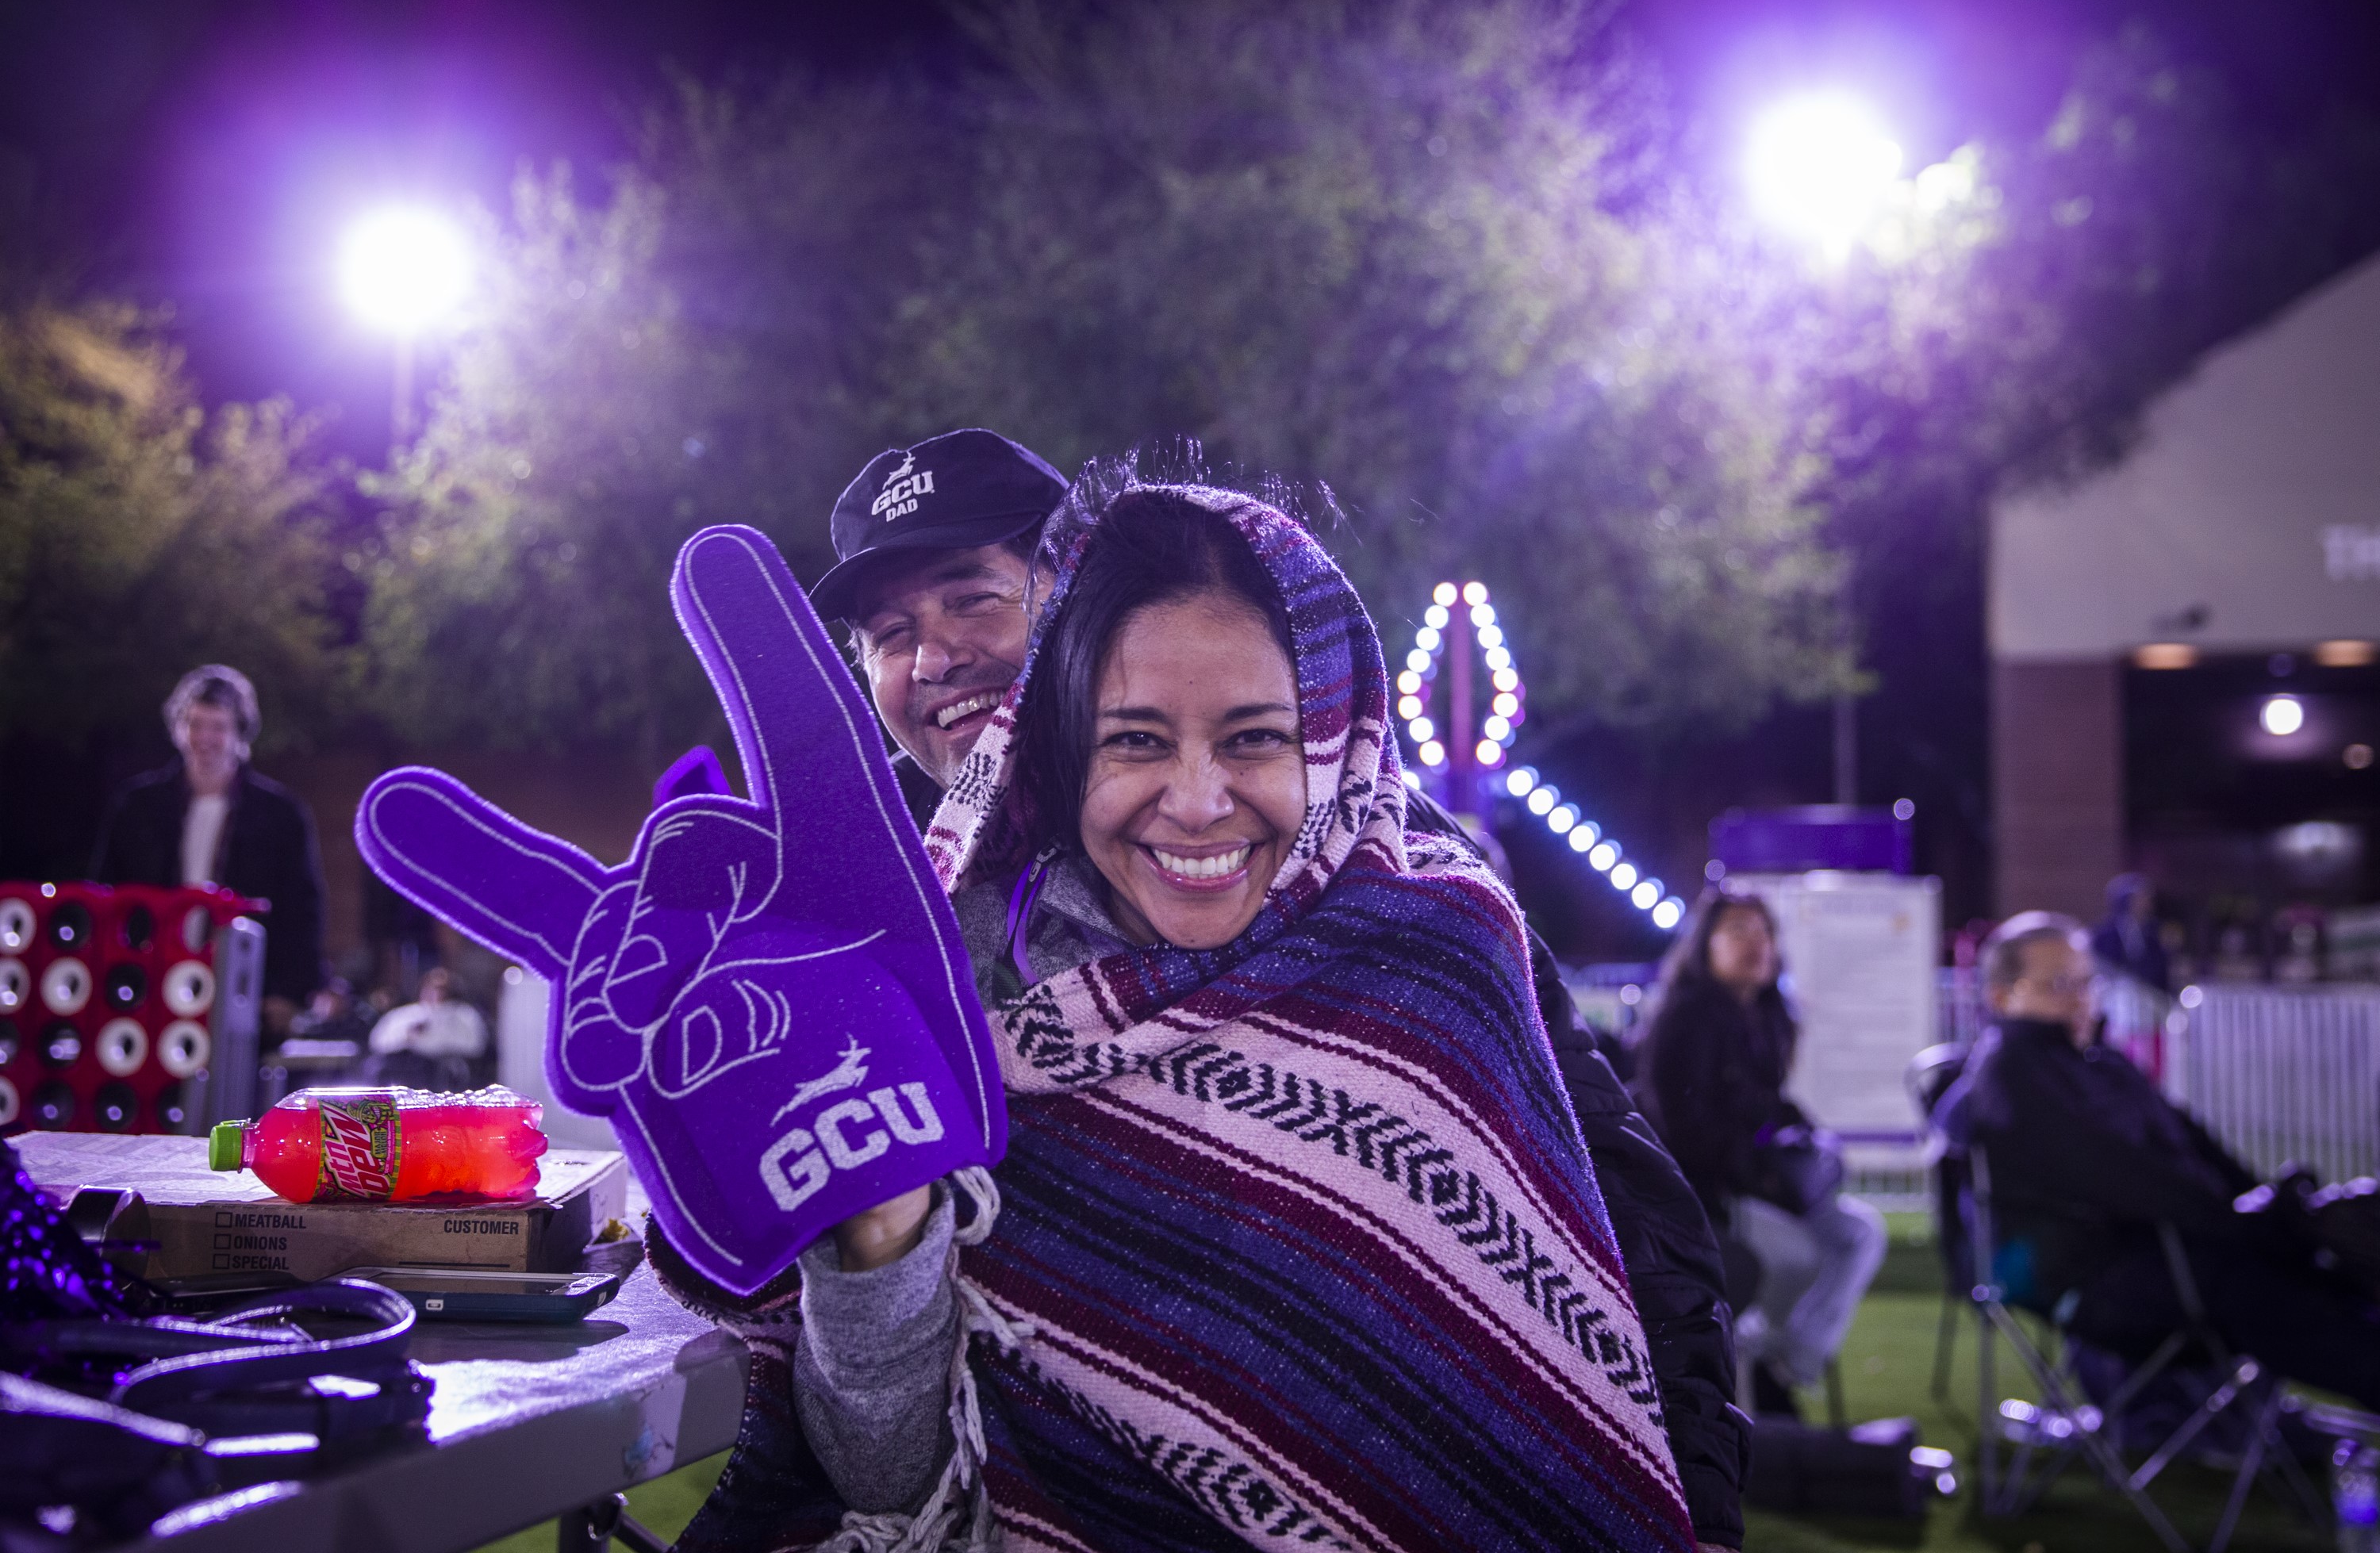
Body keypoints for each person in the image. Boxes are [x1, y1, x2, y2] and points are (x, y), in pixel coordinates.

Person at [661, 481, 1703, 1552]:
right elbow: (888, 1473)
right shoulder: (931, 992)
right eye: (1137, 742)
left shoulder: (1439, 946)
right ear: (1067, 744)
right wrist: (877, 1228)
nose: (1198, 801)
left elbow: (1622, 1281)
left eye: (1255, 738)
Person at [1956, 911, 2380, 1409]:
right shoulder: (2014, 1075)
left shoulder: (2096, 1060)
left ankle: (2250, 1426)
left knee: (2332, 1250)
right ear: (2001, 996)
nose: (2080, 999)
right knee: (2279, 1291)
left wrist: (2264, 1205)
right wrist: (2245, 1224)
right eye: (2058, 984)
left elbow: (2190, 1139)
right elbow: (2121, 1180)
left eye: (2087, 982)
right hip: (2100, 1279)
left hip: (2171, 1250)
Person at [1633, 891, 1887, 1416]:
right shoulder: (1685, 1020)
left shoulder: (1767, 1019)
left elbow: (1771, 1109)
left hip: (1765, 1188)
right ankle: (1762, 1374)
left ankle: (1788, 1361)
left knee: (1859, 1234)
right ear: (1706, 945)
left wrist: (1807, 1145)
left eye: (1765, 931)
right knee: (1796, 1256)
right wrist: (1760, 1169)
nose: (1758, 943)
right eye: (1739, 930)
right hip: (1711, 1197)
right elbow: (1684, 1132)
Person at [90, 665, 326, 1036]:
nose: (205, 738)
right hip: (149, 985)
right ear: (178, 729)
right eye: (195, 724)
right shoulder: (137, 807)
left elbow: (302, 908)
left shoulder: (281, 815)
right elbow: (106, 896)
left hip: (243, 990)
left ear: (239, 734)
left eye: (218, 727)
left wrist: (290, 992)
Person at [2090, 872, 2172, 995]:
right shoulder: (2103, 934)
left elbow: (2161, 971)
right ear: (2126, 901)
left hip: (2149, 999)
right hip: (2115, 996)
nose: (2147, 904)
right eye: (2141, 898)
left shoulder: (2156, 934)